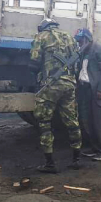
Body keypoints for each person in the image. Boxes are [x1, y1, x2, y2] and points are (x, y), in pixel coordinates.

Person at [30, 18, 82, 173]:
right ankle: (76, 159)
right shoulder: (70, 37)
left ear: (43, 27)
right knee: (72, 121)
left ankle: (50, 164)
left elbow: (34, 62)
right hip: (69, 84)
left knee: (44, 121)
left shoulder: (42, 37)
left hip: (51, 86)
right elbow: (77, 62)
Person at [74, 28, 101, 161]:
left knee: (99, 122)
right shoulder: (83, 52)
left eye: (80, 40)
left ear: (86, 39)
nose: (79, 43)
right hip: (85, 90)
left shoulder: (99, 50)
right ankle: (94, 148)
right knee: (86, 120)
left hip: (97, 91)